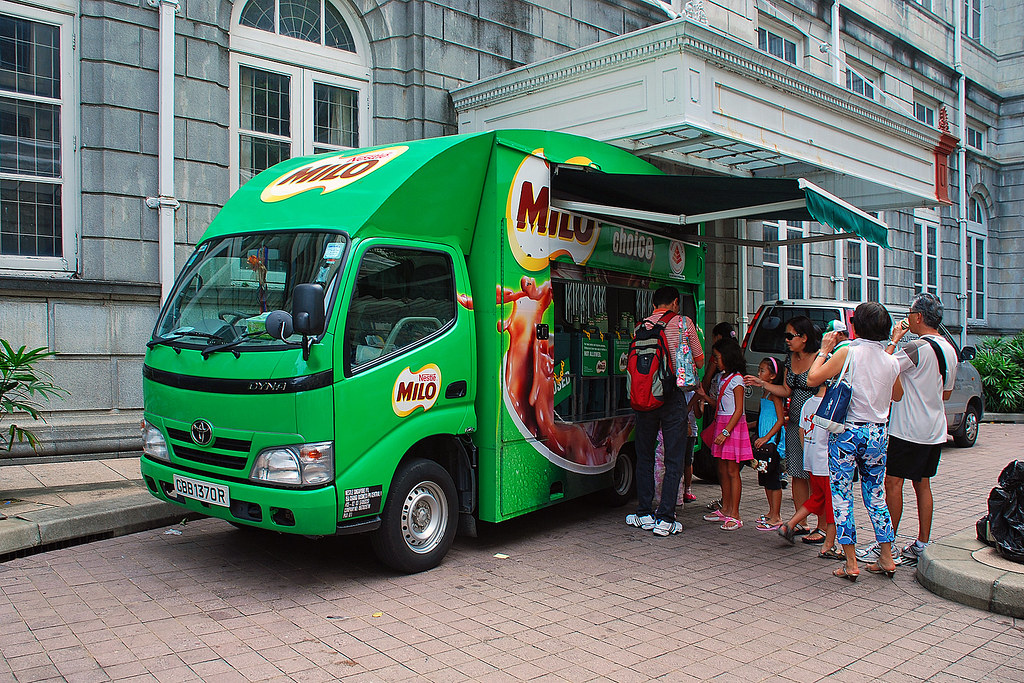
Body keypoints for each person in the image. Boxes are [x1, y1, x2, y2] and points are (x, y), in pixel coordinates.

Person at [807, 302, 903, 581]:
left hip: (847, 432)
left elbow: (813, 378)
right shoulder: (891, 360)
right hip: (877, 433)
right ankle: (886, 556)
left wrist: (824, 351)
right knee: (875, 495)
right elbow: (896, 395)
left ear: (855, 325)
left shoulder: (847, 352)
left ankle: (851, 562)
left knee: (842, 495)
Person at [861, 293, 957, 567]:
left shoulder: (916, 347)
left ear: (917, 317)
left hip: (908, 429)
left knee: (893, 483)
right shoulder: (949, 349)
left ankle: (884, 545)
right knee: (923, 484)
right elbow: (946, 394)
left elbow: (883, 366)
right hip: (935, 428)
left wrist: (893, 340)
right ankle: (922, 543)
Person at [625, 286, 701, 536]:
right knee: (674, 458)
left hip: (645, 397)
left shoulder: (640, 327)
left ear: (654, 304)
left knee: (645, 455)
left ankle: (644, 513)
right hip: (672, 397)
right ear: (675, 303)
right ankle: (666, 517)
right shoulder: (683, 323)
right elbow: (699, 359)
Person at [744, 316, 822, 539]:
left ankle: (823, 526)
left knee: (816, 476)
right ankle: (801, 521)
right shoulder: (790, 359)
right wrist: (763, 383)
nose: (786, 340)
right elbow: (787, 391)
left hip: (816, 426)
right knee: (797, 473)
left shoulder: (820, 358)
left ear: (804, 337)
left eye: (790, 336)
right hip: (795, 423)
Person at [778, 385, 839, 558]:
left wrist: (808, 454)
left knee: (817, 498)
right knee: (832, 502)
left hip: (812, 461)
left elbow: (801, 430)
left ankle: (789, 525)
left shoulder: (808, 403)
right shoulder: (832, 404)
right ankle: (829, 544)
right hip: (826, 463)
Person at [700, 338, 752, 531]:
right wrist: (704, 396)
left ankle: (735, 514)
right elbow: (718, 404)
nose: (715, 361)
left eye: (717, 357)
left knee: (732, 471)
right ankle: (726, 509)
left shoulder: (737, 379)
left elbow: (739, 410)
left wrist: (725, 431)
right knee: (722, 470)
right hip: (724, 424)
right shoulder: (723, 378)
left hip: (731, 427)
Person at [752, 357, 786, 531]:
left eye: (763, 371)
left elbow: (780, 420)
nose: (759, 374)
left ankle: (777, 516)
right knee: (765, 479)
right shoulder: (765, 394)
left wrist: (766, 437)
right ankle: (771, 512)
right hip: (763, 441)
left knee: (774, 480)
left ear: (773, 376)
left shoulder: (775, 395)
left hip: (772, 442)